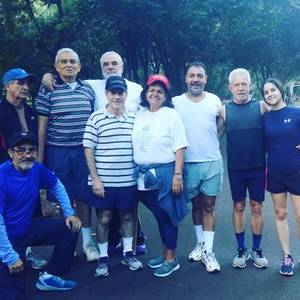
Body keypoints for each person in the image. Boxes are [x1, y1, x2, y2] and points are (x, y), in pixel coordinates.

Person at [42, 50, 146, 255]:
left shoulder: (136, 88)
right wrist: (49, 76)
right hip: (99, 154)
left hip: (127, 156)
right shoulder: (91, 85)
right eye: (106, 64)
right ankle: (95, 244)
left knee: (128, 207)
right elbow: (66, 75)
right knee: (100, 205)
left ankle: (135, 240)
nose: (110, 67)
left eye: (114, 63)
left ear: (122, 65)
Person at [0, 132, 81, 299]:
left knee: (70, 228)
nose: (27, 154)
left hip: (26, 228)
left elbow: (57, 186)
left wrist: (69, 213)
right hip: (7, 239)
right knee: (14, 294)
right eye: (21, 150)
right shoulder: (2, 177)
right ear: (11, 153)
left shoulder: (37, 168)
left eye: (31, 150)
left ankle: (50, 277)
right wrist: (9, 255)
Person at [35, 48, 98, 262]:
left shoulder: (87, 89)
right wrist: (40, 158)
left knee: (84, 196)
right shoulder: (48, 89)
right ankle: (68, 241)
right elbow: (42, 125)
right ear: (56, 67)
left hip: (82, 152)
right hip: (57, 151)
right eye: (64, 62)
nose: (68, 65)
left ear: (79, 66)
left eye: (72, 61)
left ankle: (88, 243)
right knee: (63, 197)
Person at [83, 76, 142, 277]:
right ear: (107, 94)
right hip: (104, 182)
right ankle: (102, 258)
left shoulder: (134, 118)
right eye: (113, 92)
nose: (117, 96)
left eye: (120, 93)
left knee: (127, 216)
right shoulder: (96, 118)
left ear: (126, 94)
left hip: (128, 180)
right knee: (104, 218)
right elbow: (88, 149)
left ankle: (128, 254)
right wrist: (96, 179)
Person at [132, 74, 189, 277]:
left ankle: (171, 259)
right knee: (159, 214)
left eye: (160, 91)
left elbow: (180, 146)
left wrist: (178, 175)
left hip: (165, 174)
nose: (155, 94)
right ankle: (165, 253)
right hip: (142, 176)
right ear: (145, 93)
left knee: (167, 215)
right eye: (152, 90)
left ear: (165, 96)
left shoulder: (170, 115)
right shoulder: (140, 114)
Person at [173, 62, 223, 273]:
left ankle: (209, 252)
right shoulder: (175, 102)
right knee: (196, 206)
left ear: (205, 79)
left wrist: (215, 138)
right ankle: (200, 244)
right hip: (188, 163)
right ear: (186, 78)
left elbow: (224, 120)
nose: (195, 79)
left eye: (199, 76)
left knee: (209, 206)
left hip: (212, 161)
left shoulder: (214, 100)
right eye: (192, 75)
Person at [218, 68, 269, 269]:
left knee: (257, 207)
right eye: (237, 84)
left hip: (257, 167)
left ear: (250, 86)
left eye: (244, 84)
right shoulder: (223, 110)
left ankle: (257, 251)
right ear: (230, 87)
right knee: (238, 207)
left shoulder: (262, 107)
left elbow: (282, 125)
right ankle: (241, 250)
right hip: (236, 169)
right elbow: (212, 137)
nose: (241, 87)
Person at [0, 68, 48, 270]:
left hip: (30, 169)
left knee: (31, 210)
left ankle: (26, 254)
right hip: (7, 172)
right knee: (7, 212)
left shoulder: (31, 112)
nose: (25, 87)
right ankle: (8, 254)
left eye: (27, 83)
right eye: (20, 83)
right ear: (7, 86)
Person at [262, 78, 300, 276]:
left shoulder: (296, 112)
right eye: (266, 92)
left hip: (297, 171)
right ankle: (287, 256)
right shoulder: (265, 118)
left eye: (272, 90)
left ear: (280, 90)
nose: (270, 94)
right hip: (275, 172)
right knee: (281, 214)